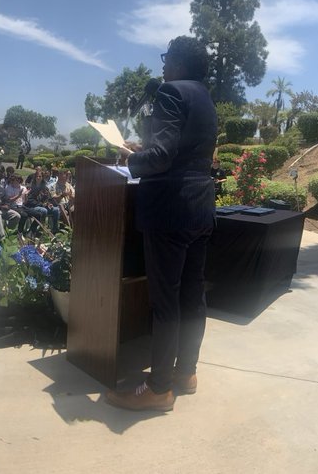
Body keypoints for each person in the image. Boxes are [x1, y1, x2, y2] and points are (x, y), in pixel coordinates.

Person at [105, 36, 218, 412]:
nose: (163, 66)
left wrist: (129, 159)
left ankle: (158, 389)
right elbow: (182, 151)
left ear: (180, 63)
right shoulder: (204, 97)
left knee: (166, 302)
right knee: (192, 296)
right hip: (200, 207)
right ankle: (186, 373)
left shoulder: (171, 92)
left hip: (169, 209)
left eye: (167, 59)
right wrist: (147, 150)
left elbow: (161, 157)